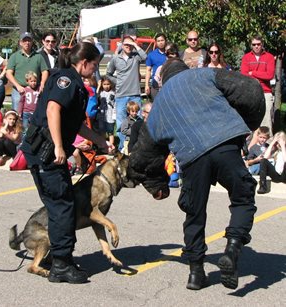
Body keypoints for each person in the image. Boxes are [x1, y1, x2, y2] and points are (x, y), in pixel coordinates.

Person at [128, 59, 265, 290]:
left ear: (162, 80)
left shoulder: (158, 105)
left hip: (191, 157)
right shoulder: (204, 75)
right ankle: (232, 247)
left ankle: (196, 272)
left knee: (194, 213)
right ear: (184, 70)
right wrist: (246, 126)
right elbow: (251, 89)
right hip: (225, 144)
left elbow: (143, 156)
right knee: (243, 196)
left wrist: (157, 185)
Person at [20, 42, 114, 284]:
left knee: (60, 204)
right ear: (84, 63)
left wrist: (99, 141)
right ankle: (61, 263)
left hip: (48, 150)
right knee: (62, 204)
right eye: (94, 66)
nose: (95, 71)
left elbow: (75, 124)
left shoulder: (74, 82)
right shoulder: (67, 81)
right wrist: (60, 146)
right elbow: (53, 110)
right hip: (47, 151)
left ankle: (58, 256)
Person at [106, 35, 147, 151]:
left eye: (130, 45)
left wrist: (135, 45)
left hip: (135, 94)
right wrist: (117, 81)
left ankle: (137, 146)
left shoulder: (136, 57)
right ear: (122, 45)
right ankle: (123, 147)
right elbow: (108, 74)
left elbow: (145, 57)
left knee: (138, 121)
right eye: (126, 44)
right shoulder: (115, 58)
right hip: (120, 95)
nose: (128, 47)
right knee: (120, 124)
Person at [240, 34, 275, 136]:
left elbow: (269, 75)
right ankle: (251, 148)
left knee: (266, 121)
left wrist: (253, 73)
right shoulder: (246, 58)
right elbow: (244, 75)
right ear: (251, 45)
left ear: (262, 44)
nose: (256, 46)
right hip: (251, 93)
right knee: (251, 121)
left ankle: (269, 146)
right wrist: (257, 75)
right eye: (254, 44)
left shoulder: (269, 57)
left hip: (265, 92)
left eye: (258, 44)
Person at [6, 32, 49, 111]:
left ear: (32, 42)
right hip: (18, 91)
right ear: (20, 43)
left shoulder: (38, 56)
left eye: (29, 40)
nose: (27, 43)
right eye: (24, 41)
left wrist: (42, 84)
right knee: (17, 113)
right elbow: (8, 73)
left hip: (35, 90)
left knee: (35, 113)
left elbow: (45, 71)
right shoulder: (14, 56)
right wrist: (18, 86)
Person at [145, 33, 167, 99]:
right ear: (156, 42)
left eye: (162, 40)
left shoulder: (170, 53)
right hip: (156, 85)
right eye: (158, 41)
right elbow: (148, 70)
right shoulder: (151, 55)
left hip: (168, 83)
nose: (160, 43)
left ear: (166, 41)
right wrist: (146, 85)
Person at [18, 71, 39, 137]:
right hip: (26, 112)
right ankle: (23, 143)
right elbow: (21, 101)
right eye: (31, 81)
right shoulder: (25, 90)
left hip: (35, 112)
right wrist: (19, 112)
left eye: (35, 81)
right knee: (25, 129)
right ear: (27, 82)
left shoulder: (39, 89)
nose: (33, 83)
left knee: (35, 129)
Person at [97, 76, 116, 146]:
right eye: (104, 84)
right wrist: (98, 86)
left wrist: (114, 114)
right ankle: (103, 145)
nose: (106, 86)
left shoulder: (113, 93)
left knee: (110, 131)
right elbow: (95, 96)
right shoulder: (100, 93)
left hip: (110, 115)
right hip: (102, 115)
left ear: (111, 84)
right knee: (102, 131)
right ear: (102, 84)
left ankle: (111, 145)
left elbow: (115, 104)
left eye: (108, 84)